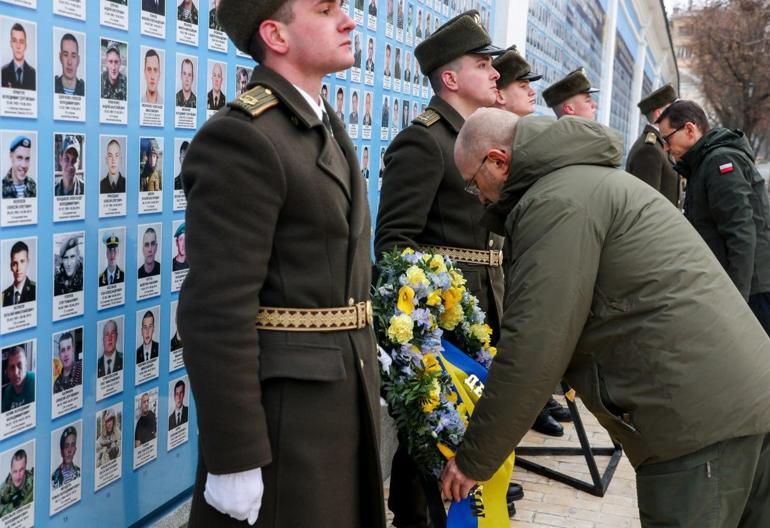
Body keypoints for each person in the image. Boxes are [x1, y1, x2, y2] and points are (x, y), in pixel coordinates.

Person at [441, 107, 770, 527]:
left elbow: (535, 348)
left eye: (474, 186)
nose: (481, 199)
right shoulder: (584, 181)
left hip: (696, 427)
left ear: (498, 161)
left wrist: (473, 460)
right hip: (742, 401)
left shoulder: (555, 203)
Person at [178, 0, 385, 526]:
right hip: (287, 422)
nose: (348, 20)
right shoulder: (244, 137)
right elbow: (216, 310)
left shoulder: (319, 126)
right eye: (324, 9)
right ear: (275, 33)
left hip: (338, 400)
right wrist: (236, 455)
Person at [373, 10, 511, 526]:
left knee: (466, 439)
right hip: (440, 328)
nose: (495, 73)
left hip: (478, 309)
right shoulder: (424, 141)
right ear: (450, 78)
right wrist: (428, 321)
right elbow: (394, 245)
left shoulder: (475, 135)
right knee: (428, 445)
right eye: (483, 64)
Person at [491, 44, 569, 437]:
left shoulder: (523, 136)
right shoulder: (488, 137)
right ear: (500, 92)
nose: (531, 91)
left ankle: (534, 404)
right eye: (522, 84)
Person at [658, 100, 770, 334]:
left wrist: (737, 301)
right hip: (747, 285)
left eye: (667, 139)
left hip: (753, 289)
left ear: (690, 130)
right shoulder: (704, 163)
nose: (666, 148)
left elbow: (740, 232)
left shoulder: (720, 162)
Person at [626, 84, 680, 206]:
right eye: (673, 110)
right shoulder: (650, 150)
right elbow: (647, 205)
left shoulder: (659, 145)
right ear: (659, 114)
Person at [1, 23, 35, 90]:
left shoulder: (34, 74)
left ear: (25, 45)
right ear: (11, 43)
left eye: (21, 42)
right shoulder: (2, 72)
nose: (18, 46)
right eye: (14, 41)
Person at [0, 449, 33, 517]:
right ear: (11, 470)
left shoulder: (33, 479)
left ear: (25, 467)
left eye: (21, 470)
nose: (18, 476)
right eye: (15, 471)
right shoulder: (2, 492)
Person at [1, 345, 34, 412]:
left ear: (26, 366)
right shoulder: (8, 391)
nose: (16, 373)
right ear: (7, 372)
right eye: (12, 367)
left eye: (20, 365)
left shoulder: (34, 381)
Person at [2, 241, 35, 307]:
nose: (19, 268)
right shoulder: (3, 295)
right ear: (11, 266)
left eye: (22, 261)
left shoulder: (35, 290)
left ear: (28, 262)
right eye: (15, 263)